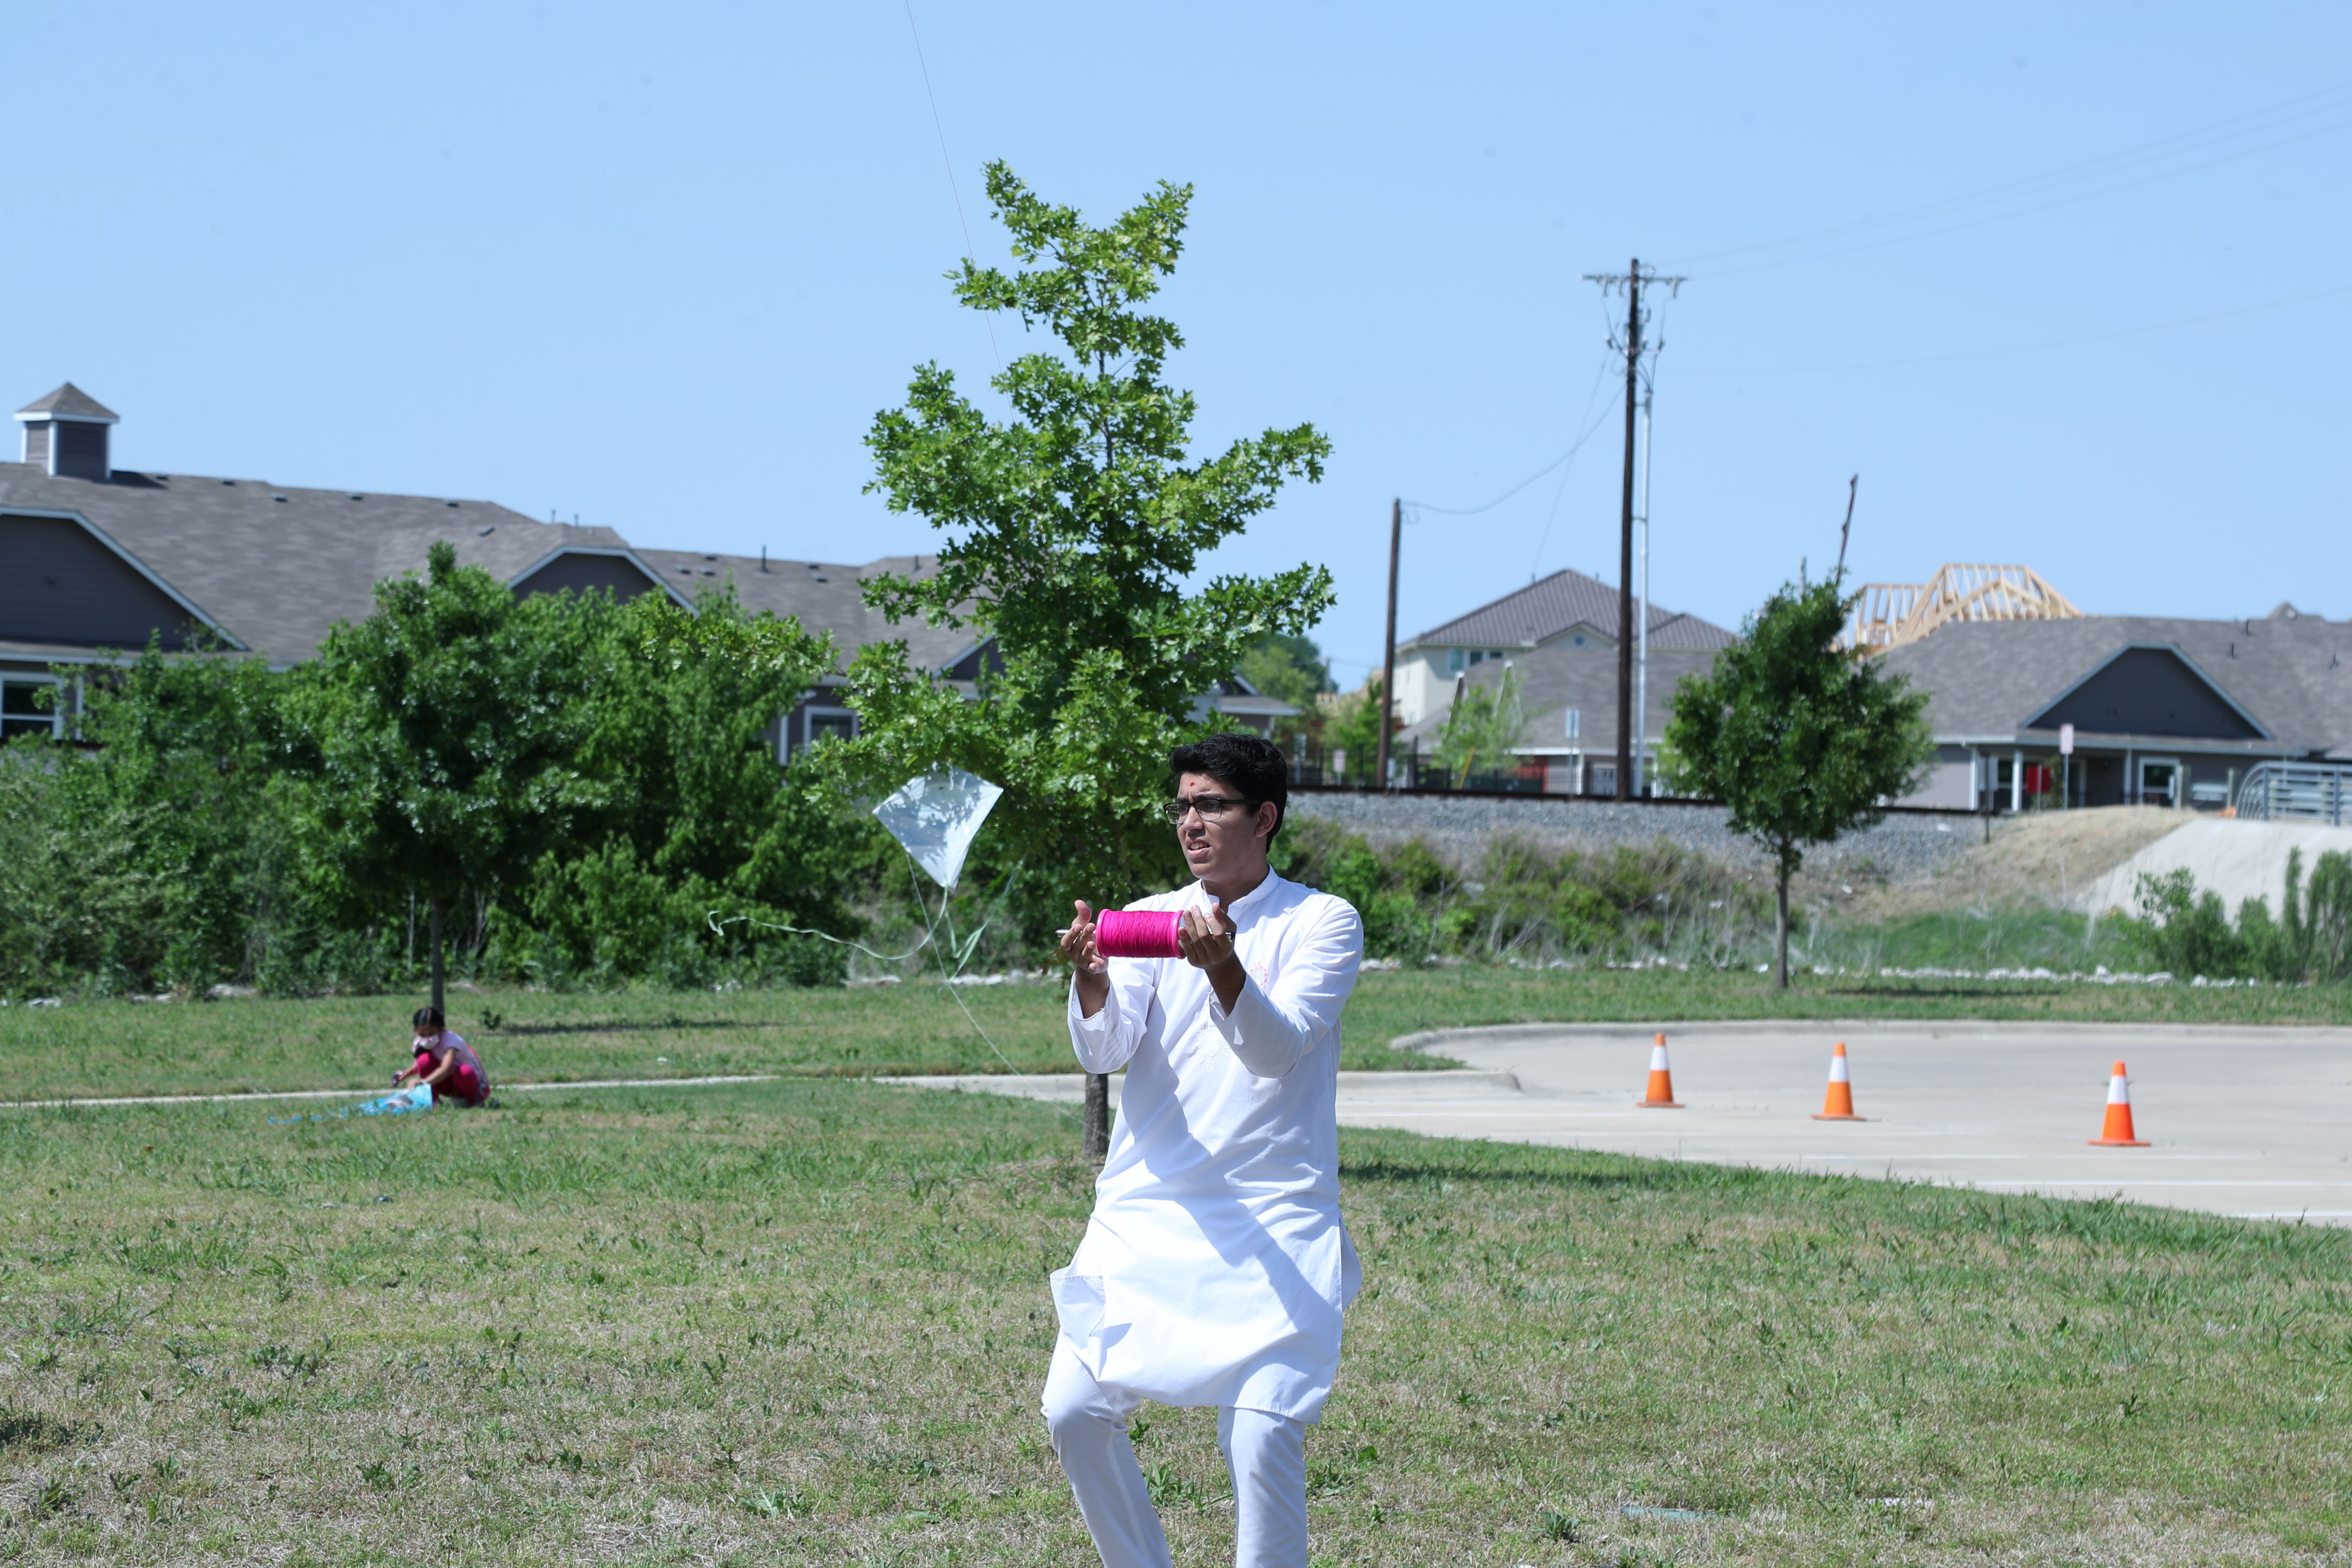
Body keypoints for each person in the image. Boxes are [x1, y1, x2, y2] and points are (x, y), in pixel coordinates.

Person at [1047, 731, 1365, 1568]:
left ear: (1264, 818)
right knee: (1073, 1408)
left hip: (1273, 1216)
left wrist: (1224, 967)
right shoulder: (1150, 917)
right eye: (1183, 806)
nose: (1190, 822)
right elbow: (1104, 1049)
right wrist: (1091, 979)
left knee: (1261, 1436)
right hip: (1150, 1211)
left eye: (1212, 805)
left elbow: (1276, 1049)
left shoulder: (1321, 922)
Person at [394, 1006, 489, 1107]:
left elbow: (447, 1069)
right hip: (448, 1084)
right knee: (424, 1060)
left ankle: (474, 1102)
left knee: (464, 1071)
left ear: (442, 1029)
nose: (427, 1039)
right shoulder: (419, 1042)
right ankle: (434, 1102)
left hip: (471, 1083)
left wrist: (423, 1082)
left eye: (432, 1034)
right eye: (422, 1035)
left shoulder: (451, 1041)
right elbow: (420, 1065)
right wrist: (406, 1074)